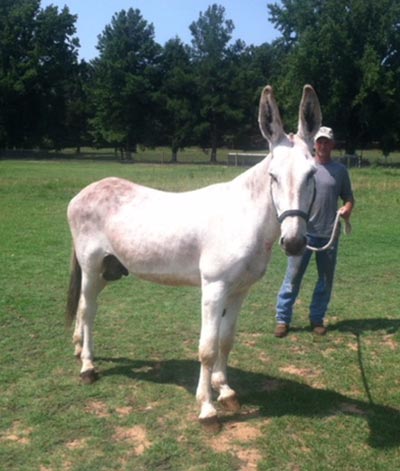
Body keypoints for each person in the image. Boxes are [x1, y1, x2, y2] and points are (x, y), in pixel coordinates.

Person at [275, 126, 355, 338]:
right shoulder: (305, 167)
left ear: (332, 145)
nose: (322, 145)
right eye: (319, 141)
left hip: (329, 234)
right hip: (304, 234)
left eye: (326, 141)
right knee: (293, 277)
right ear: (314, 144)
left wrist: (347, 208)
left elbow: (348, 198)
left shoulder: (340, 171)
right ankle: (282, 319)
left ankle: (317, 318)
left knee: (325, 280)